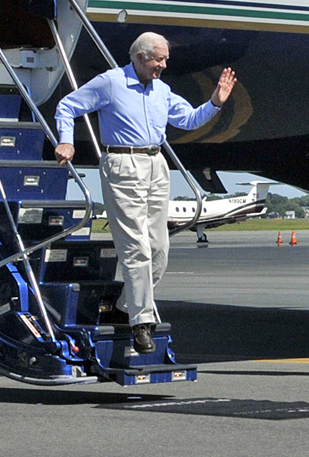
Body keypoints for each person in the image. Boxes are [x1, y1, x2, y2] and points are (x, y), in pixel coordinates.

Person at [53, 32, 236, 353]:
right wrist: (66, 140)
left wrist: (216, 102)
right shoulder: (110, 83)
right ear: (139, 57)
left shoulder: (162, 91)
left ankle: (126, 307)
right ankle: (142, 323)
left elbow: (190, 119)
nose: (163, 65)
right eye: (158, 59)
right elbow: (67, 106)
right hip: (123, 163)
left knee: (160, 250)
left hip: (156, 164)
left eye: (165, 59)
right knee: (136, 248)